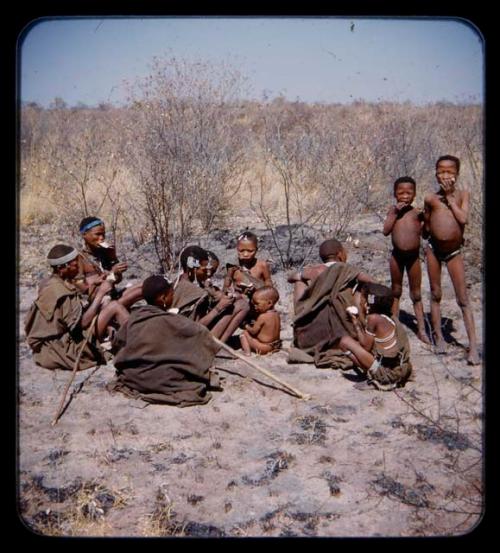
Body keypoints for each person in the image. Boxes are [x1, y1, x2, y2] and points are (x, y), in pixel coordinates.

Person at [110, 275, 220, 407]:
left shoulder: (135, 317)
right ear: (163, 298)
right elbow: (200, 333)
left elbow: (118, 342)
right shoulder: (171, 321)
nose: (173, 297)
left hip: (133, 376)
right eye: (171, 294)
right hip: (157, 379)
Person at [24, 244, 129, 371]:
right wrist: (100, 293)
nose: (79, 267)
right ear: (63, 267)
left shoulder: (51, 282)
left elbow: (70, 303)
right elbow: (82, 323)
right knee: (114, 306)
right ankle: (140, 342)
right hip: (63, 348)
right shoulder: (60, 292)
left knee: (106, 307)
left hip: (50, 344)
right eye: (75, 264)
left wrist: (94, 284)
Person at [423, 155, 479, 364]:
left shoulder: (463, 195)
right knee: (436, 293)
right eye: (441, 171)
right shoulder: (430, 199)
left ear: (457, 173)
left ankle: (472, 346)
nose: (445, 175)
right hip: (433, 251)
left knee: (462, 298)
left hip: (455, 252)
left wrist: (450, 200)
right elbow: (427, 227)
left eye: (449, 171)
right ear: (435, 173)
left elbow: (463, 219)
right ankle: (439, 338)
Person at [287, 239, 375, 367]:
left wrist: (307, 278)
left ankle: (300, 319)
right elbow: (372, 282)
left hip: (310, 338)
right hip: (343, 332)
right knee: (361, 287)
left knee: (299, 283)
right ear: (340, 254)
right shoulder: (345, 269)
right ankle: (358, 330)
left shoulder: (313, 270)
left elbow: (291, 277)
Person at [382, 176, 430, 344]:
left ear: (415, 194)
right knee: (396, 291)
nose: (404, 196)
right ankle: (394, 326)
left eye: (409, 192)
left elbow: (425, 234)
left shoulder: (417, 213)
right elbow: (385, 231)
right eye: (400, 192)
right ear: (395, 194)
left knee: (416, 294)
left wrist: (426, 219)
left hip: (413, 258)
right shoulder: (392, 211)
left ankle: (422, 330)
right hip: (396, 257)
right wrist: (394, 213)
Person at [339, 282, 412, 391]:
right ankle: (374, 372)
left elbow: (366, 347)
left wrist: (355, 323)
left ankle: (376, 377)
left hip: (389, 372)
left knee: (344, 342)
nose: (360, 301)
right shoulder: (388, 316)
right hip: (398, 367)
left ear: (368, 301)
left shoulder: (373, 319)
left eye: (363, 298)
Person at [172, 245, 250, 343]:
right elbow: (193, 328)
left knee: (239, 302)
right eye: (204, 270)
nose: (207, 274)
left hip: (180, 339)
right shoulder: (194, 291)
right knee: (243, 305)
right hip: (190, 342)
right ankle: (216, 347)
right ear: (192, 267)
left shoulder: (178, 282)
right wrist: (219, 308)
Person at [77, 216, 143, 308]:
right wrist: (111, 273)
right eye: (97, 234)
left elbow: (118, 280)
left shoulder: (103, 253)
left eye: (103, 234)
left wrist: (113, 258)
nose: (102, 238)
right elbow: (84, 290)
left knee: (144, 286)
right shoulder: (79, 258)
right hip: (98, 303)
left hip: (113, 296)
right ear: (84, 234)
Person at [223, 231, 273, 297]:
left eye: (250, 251)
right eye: (241, 251)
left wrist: (262, 289)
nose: (245, 254)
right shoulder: (232, 266)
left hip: (258, 298)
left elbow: (268, 281)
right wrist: (229, 290)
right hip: (239, 298)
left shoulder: (262, 265)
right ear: (237, 249)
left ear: (256, 250)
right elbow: (226, 285)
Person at [240, 286, 282, 355]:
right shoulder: (276, 314)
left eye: (257, 304)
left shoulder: (262, 317)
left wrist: (246, 325)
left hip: (264, 348)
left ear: (269, 303)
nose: (255, 307)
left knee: (244, 333)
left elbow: (253, 332)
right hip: (276, 345)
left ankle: (247, 353)